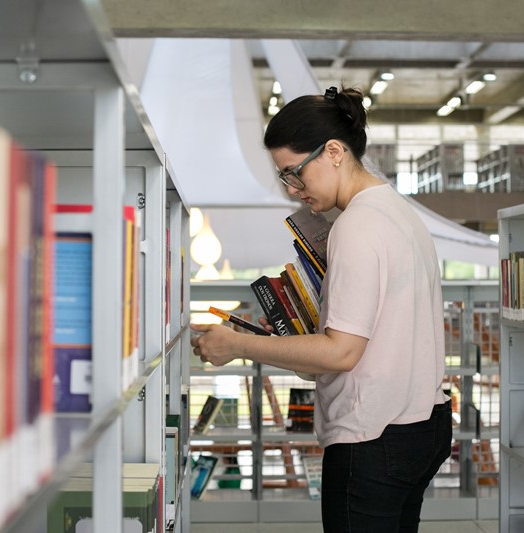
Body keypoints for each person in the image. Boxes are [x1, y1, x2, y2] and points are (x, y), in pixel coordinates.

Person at [190, 85, 451, 533]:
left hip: (373, 436)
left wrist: (238, 344)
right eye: (285, 178)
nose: (294, 190)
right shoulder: (398, 212)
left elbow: (341, 353)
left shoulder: (355, 226)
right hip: (422, 423)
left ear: (333, 151)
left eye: (295, 173)